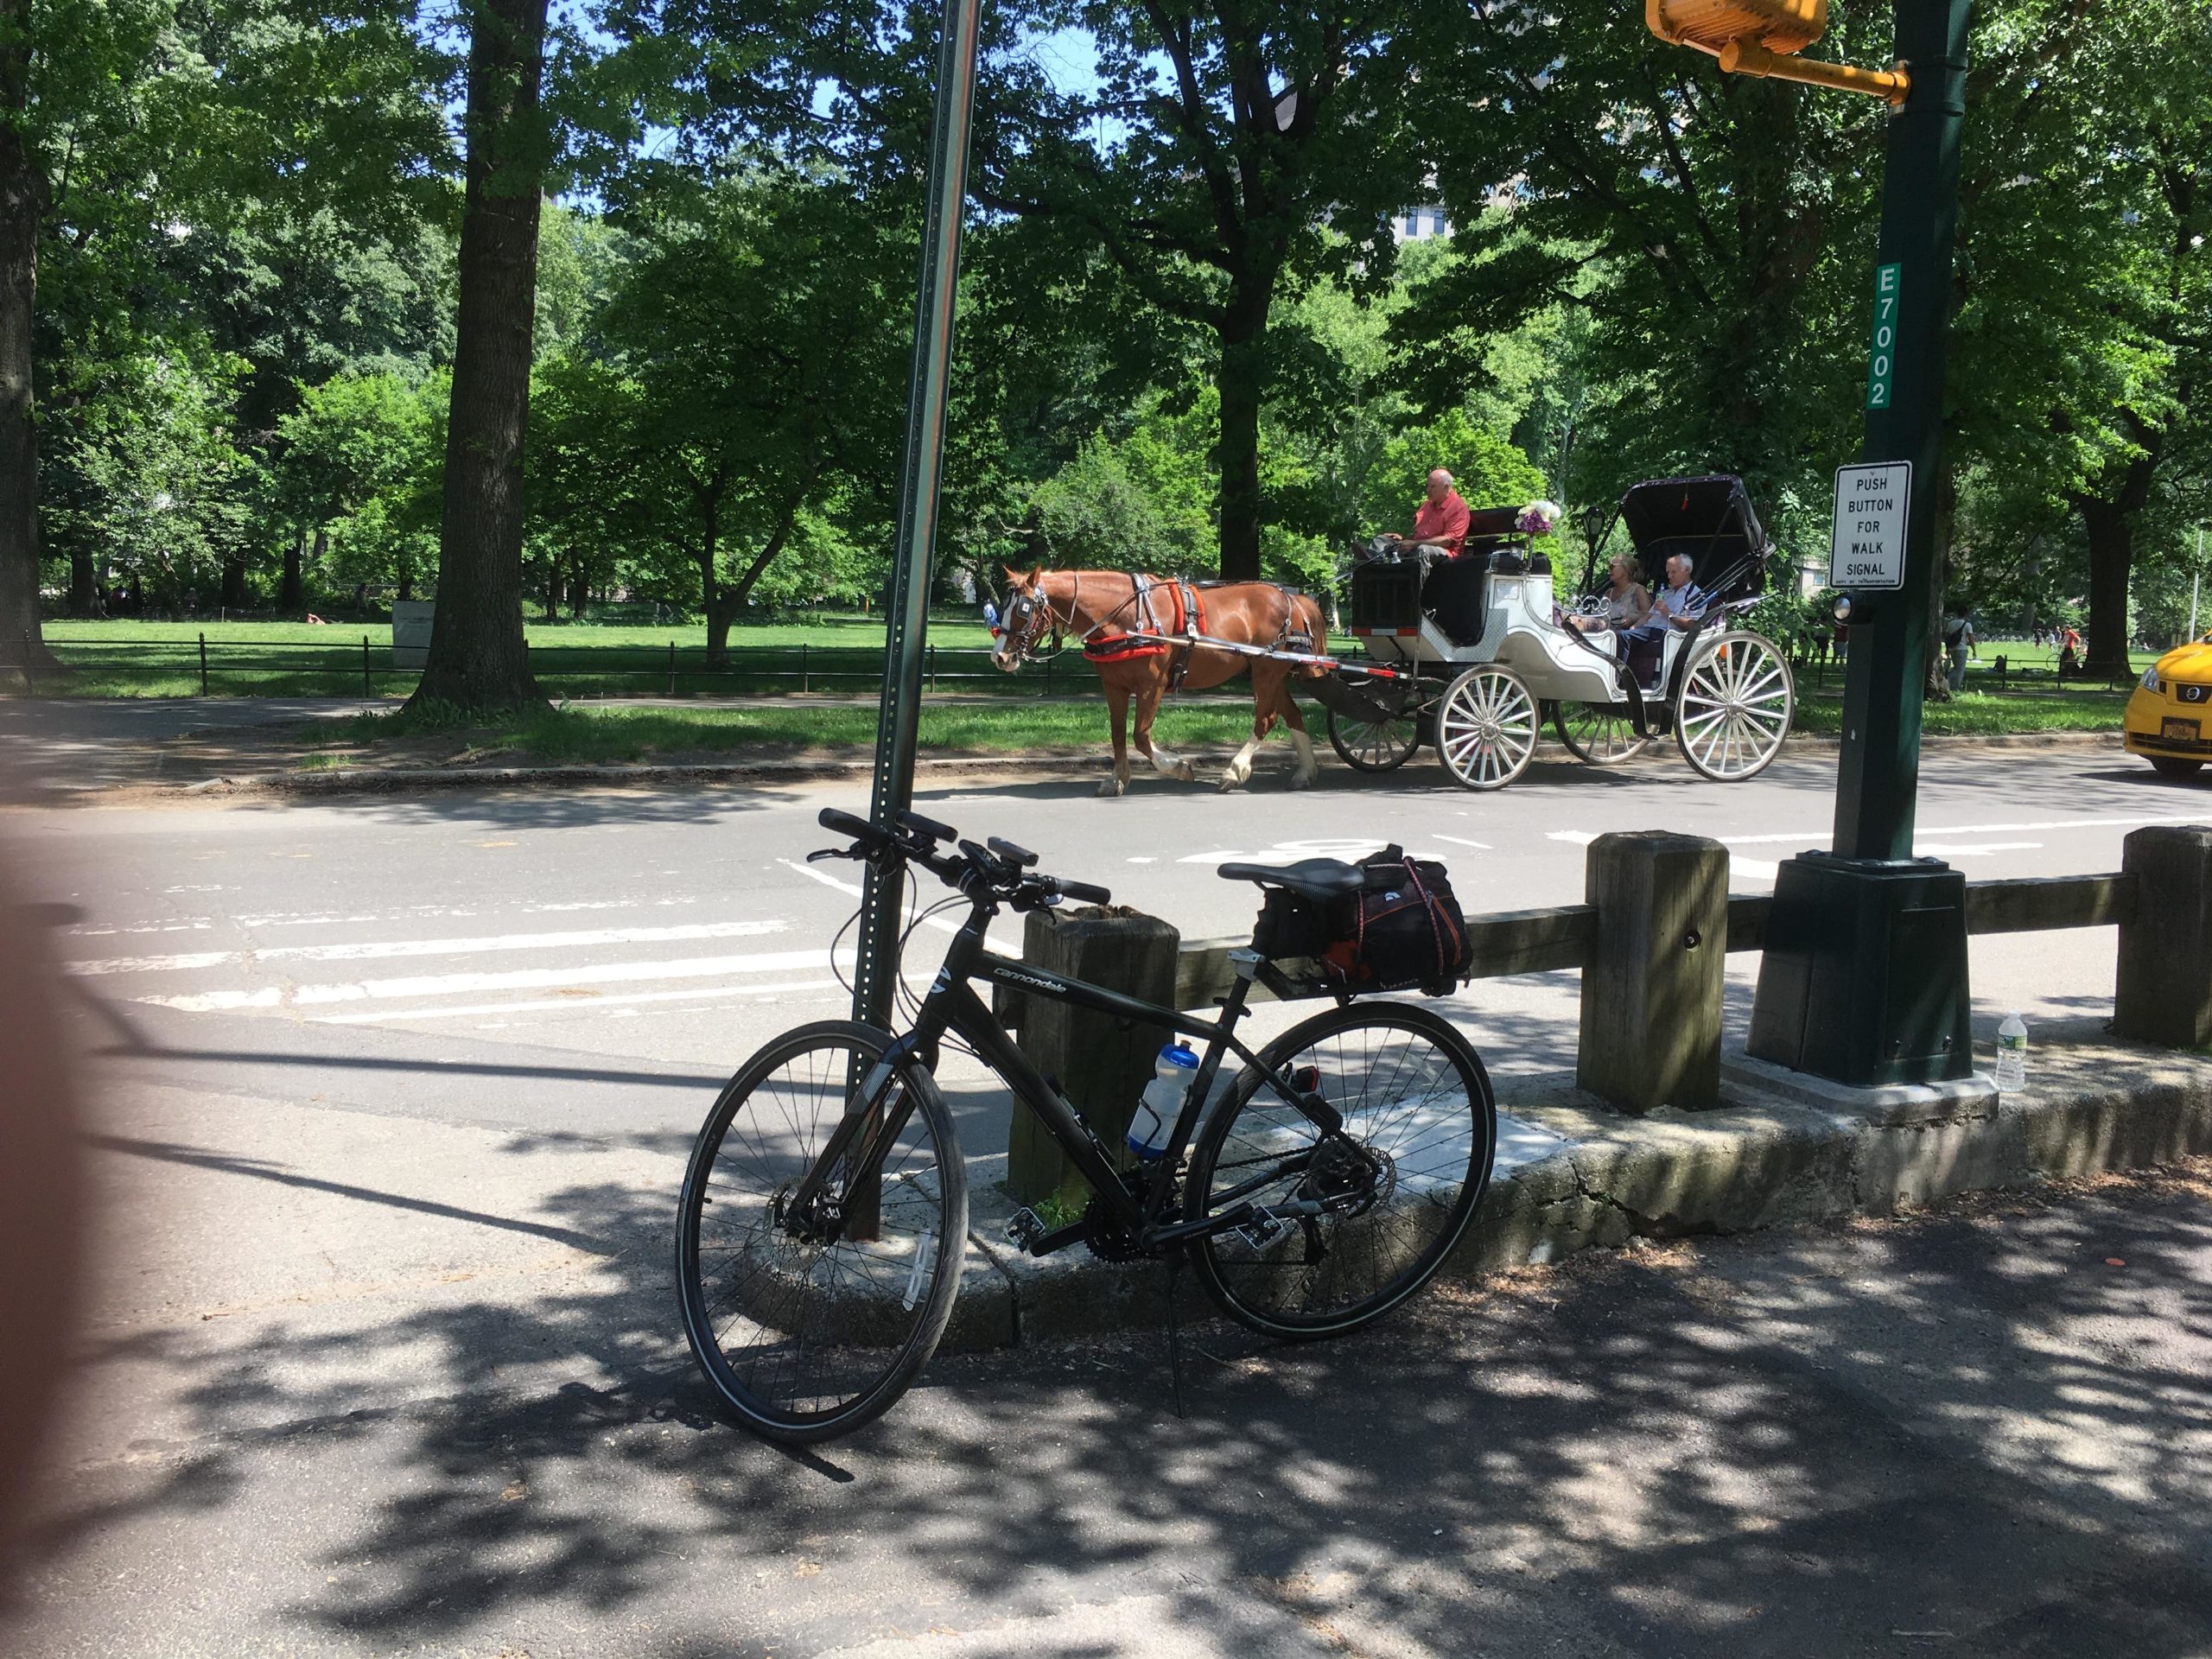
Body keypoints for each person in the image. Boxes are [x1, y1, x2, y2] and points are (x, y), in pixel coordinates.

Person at [1382, 467, 1471, 558]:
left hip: (1446, 555)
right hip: (1416, 546)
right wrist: (1404, 540)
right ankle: (1374, 569)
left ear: (1446, 487)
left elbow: (1447, 541)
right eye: (1427, 486)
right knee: (1382, 540)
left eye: (1433, 486)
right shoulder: (1427, 505)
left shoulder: (1458, 508)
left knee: (1423, 549)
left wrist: (1415, 544)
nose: (1428, 490)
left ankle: (1418, 573)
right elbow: (1419, 534)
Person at [1568, 555, 1651, 633]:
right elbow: (1599, 615)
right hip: (1603, 631)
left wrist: (1632, 618)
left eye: (1613, 566)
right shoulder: (1609, 592)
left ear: (1626, 569)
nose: (1610, 569)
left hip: (1619, 634)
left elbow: (1648, 614)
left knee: (1585, 624)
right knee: (1574, 620)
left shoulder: (1638, 590)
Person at [1943, 603, 1975, 693]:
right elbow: (1971, 639)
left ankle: (1949, 684)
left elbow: (1948, 638)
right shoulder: (1967, 625)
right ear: (1966, 614)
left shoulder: (1951, 624)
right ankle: (1953, 686)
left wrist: (1947, 650)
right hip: (1962, 649)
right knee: (1960, 670)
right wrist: (1974, 651)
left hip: (1952, 649)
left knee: (1956, 668)